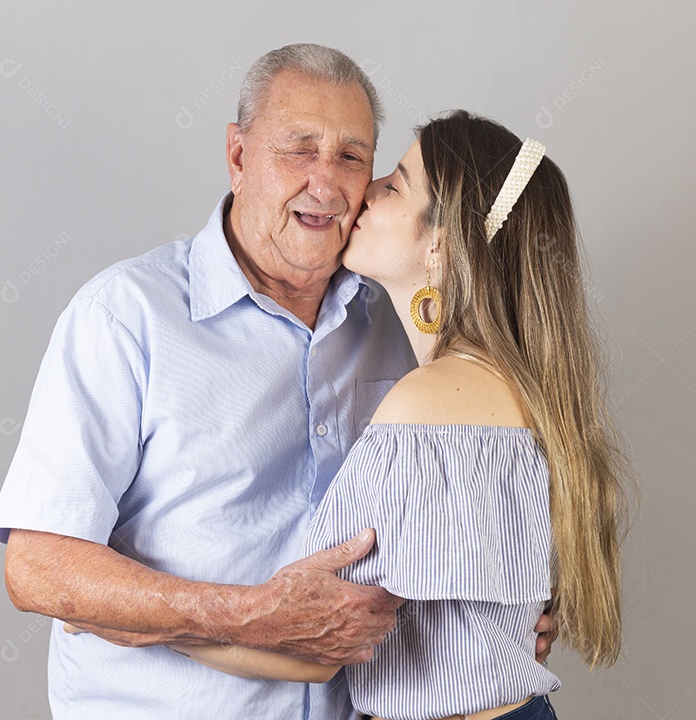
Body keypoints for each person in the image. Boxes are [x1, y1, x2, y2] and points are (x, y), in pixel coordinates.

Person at [0, 44, 555, 719]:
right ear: (237, 156)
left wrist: (496, 628)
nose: (329, 184)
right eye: (298, 149)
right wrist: (244, 614)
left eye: (353, 157)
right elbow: (37, 567)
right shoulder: (124, 318)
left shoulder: (401, 327)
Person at [158, 112, 631, 720]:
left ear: (441, 242)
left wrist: (145, 625)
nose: (367, 192)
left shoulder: (424, 405)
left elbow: (317, 646)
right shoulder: (530, 396)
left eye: (396, 185)